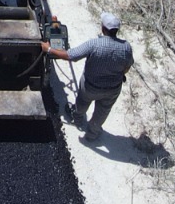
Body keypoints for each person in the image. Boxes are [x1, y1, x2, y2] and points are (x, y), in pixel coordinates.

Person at [47, 11, 134, 141]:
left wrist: (48, 49)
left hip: (90, 87)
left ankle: (77, 119)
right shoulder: (126, 47)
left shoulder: (93, 44)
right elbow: (127, 67)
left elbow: (71, 55)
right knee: (103, 112)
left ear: (103, 28)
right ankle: (92, 134)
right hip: (113, 89)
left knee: (82, 103)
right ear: (116, 30)